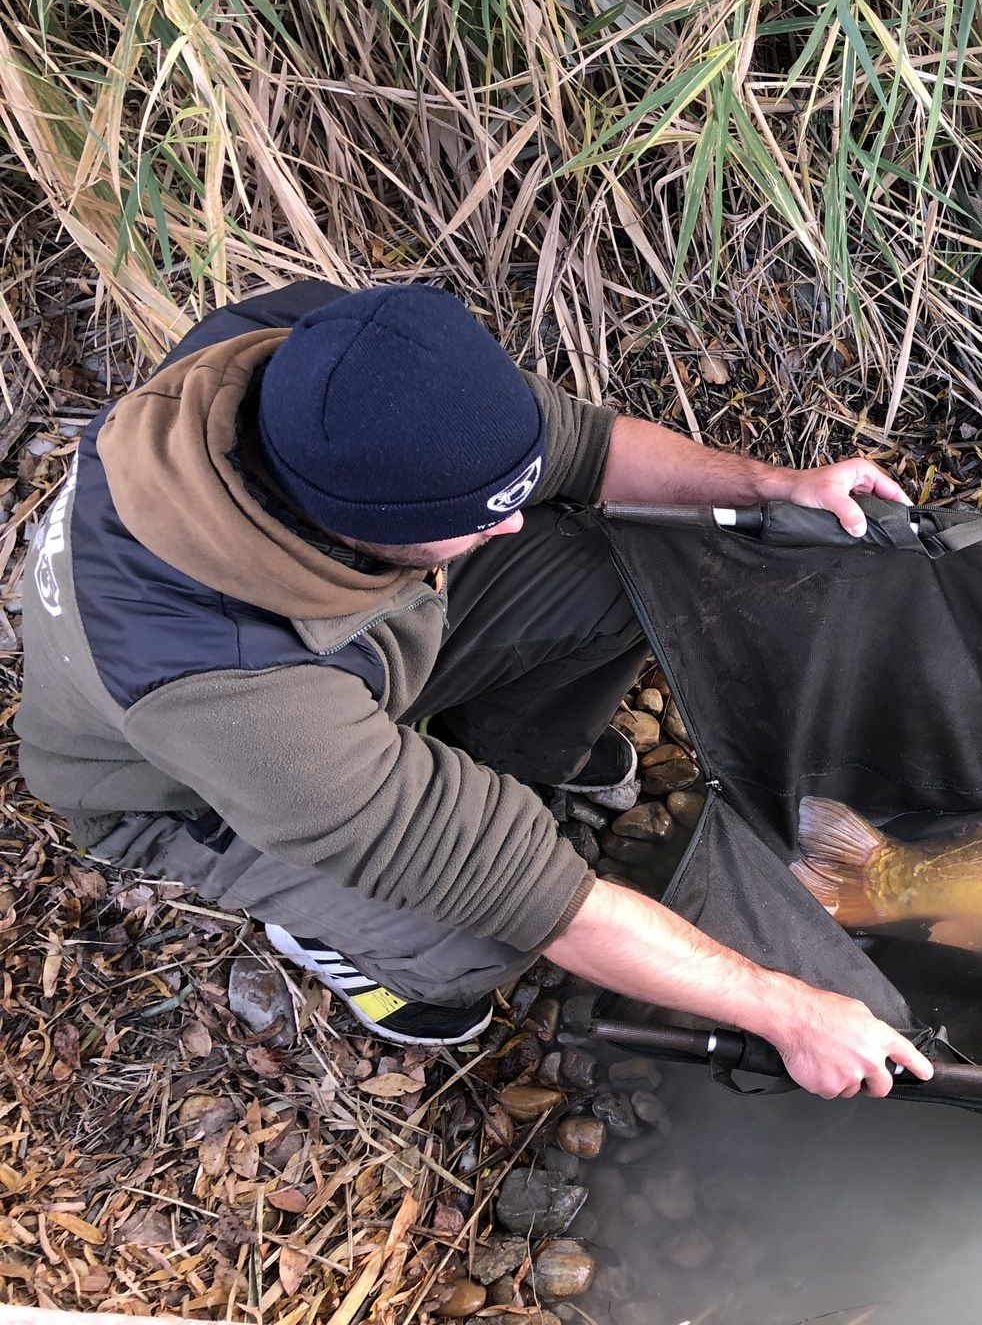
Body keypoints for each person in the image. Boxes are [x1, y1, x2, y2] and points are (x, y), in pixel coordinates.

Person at [16, 280, 932, 1100]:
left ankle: (494, 749)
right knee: (480, 946)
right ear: (366, 531)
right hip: (185, 793)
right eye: (487, 520)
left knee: (625, 562)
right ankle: (341, 941)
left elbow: (587, 450)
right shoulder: (233, 691)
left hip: (332, 661)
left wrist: (777, 487)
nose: (516, 528)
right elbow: (542, 899)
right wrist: (789, 1009)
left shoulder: (318, 357)